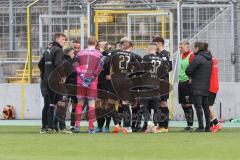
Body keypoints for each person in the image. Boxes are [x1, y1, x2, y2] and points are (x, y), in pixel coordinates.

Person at [110, 37, 142, 133]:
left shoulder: (114, 53)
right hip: (127, 80)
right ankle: (128, 127)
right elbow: (139, 68)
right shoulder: (131, 55)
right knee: (125, 103)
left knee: (111, 102)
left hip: (115, 80)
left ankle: (117, 125)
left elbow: (106, 62)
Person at [74, 37, 104, 133]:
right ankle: (90, 128)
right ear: (95, 43)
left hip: (80, 81)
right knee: (91, 104)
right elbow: (100, 67)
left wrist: (81, 74)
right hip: (92, 82)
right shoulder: (99, 54)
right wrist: (93, 76)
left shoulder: (80, 53)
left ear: (87, 43)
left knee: (80, 103)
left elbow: (75, 64)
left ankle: (77, 126)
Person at [38, 33, 66, 133]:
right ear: (57, 39)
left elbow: (40, 64)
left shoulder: (47, 49)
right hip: (54, 81)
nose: (64, 41)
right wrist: (63, 75)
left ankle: (45, 127)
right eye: (63, 39)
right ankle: (52, 127)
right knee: (54, 104)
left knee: (48, 104)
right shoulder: (58, 50)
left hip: (45, 80)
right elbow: (58, 64)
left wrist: (44, 74)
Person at [186, 42, 213, 132]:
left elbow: (188, 71)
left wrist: (193, 74)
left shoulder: (197, 58)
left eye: (193, 48)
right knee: (206, 107)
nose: (192, 49)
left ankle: (201, 126)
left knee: (198, 107)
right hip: (206, 86)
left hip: (197, 85)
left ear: (197, 48)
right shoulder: (209, 59)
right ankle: (208, 127)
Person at [152, 36, 172, 133]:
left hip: (163, 83)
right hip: (157, 82)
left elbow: (168, 68)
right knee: (159, 103)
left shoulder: (165, 54)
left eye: (154, 44)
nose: (154, 46)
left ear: (159, 43)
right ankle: (161, 125)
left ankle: (165, 126)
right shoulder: (158, 54)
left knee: (163, 103)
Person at [202, 43, 221, 133]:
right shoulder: (214, 59)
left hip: (210, 85)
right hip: (215, 85)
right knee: (208, 105)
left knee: (206, 106)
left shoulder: (208, 60)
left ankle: (216, 123)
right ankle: (211, 125)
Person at [178, 40, 195, 132]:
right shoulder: (180, 55)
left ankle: (191, 125)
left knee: (188, 103)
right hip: (181, 82)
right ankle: (188, 124)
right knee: (183, 104)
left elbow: (193, 68)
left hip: (187, 82)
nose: (180, 46)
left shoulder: (191, 55)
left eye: (181, 45)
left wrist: (191, 79)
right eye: (179, 45)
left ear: (187, 46)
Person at [38, 42, 52, 133]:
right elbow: (39, 64)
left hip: (49, 83)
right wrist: (44, 74)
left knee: (50, 105)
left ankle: (49, 126)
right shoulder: (46, 54)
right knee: (47, 104)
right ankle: (44, 126)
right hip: (45, 84)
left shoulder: (49, 56)